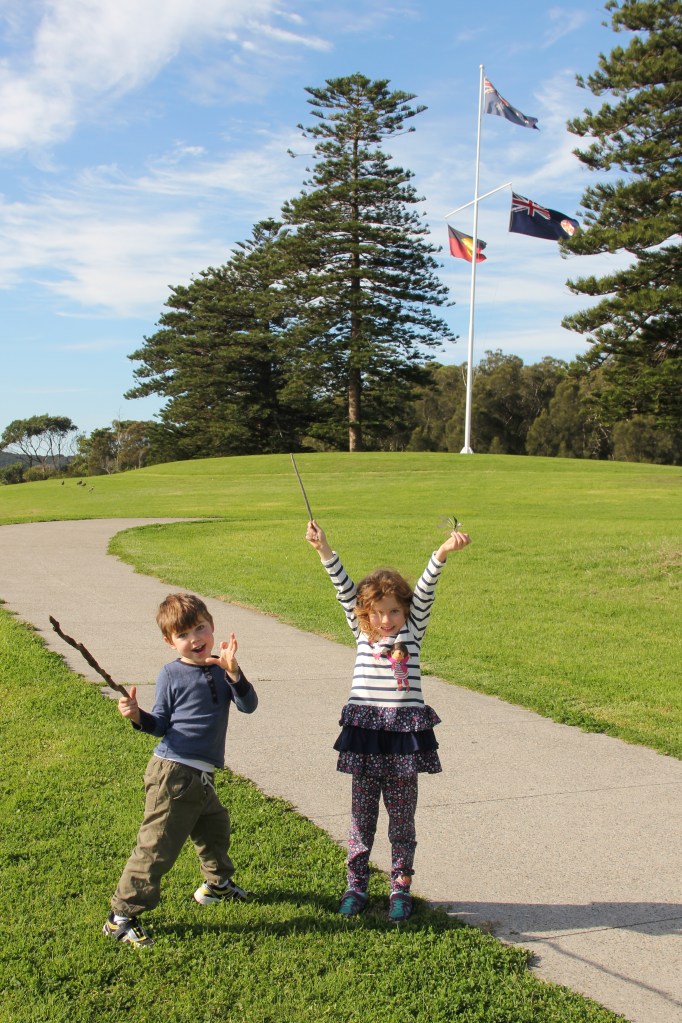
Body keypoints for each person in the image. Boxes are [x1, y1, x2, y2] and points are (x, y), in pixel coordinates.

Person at [306, 520, 471, 922]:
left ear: (406, 611)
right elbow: (342, 586)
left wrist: (442, 553)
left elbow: (427, 588)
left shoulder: (413, 631)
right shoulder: (362, 633)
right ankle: (356, 885)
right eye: (378, 613)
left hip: (402, 738)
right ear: (365, 614)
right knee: (362, 817)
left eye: (394, 611)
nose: (386, 620)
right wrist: (324, 549)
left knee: (402, 818)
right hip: (366, 736)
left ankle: (400, 885)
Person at [103, 592, 258, 948]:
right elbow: (160, 724)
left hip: (201, 777)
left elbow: (248, 705)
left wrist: (234, 672)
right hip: (174, 774)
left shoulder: (223, 668)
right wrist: (137, 716)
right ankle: (121, 916)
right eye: (184, 635)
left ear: (212, 626)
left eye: (200, 628)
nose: (195, 639)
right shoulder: (171, 674)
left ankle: (217, 886)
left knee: (215, 828)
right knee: (156, 846)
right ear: (170, 642)